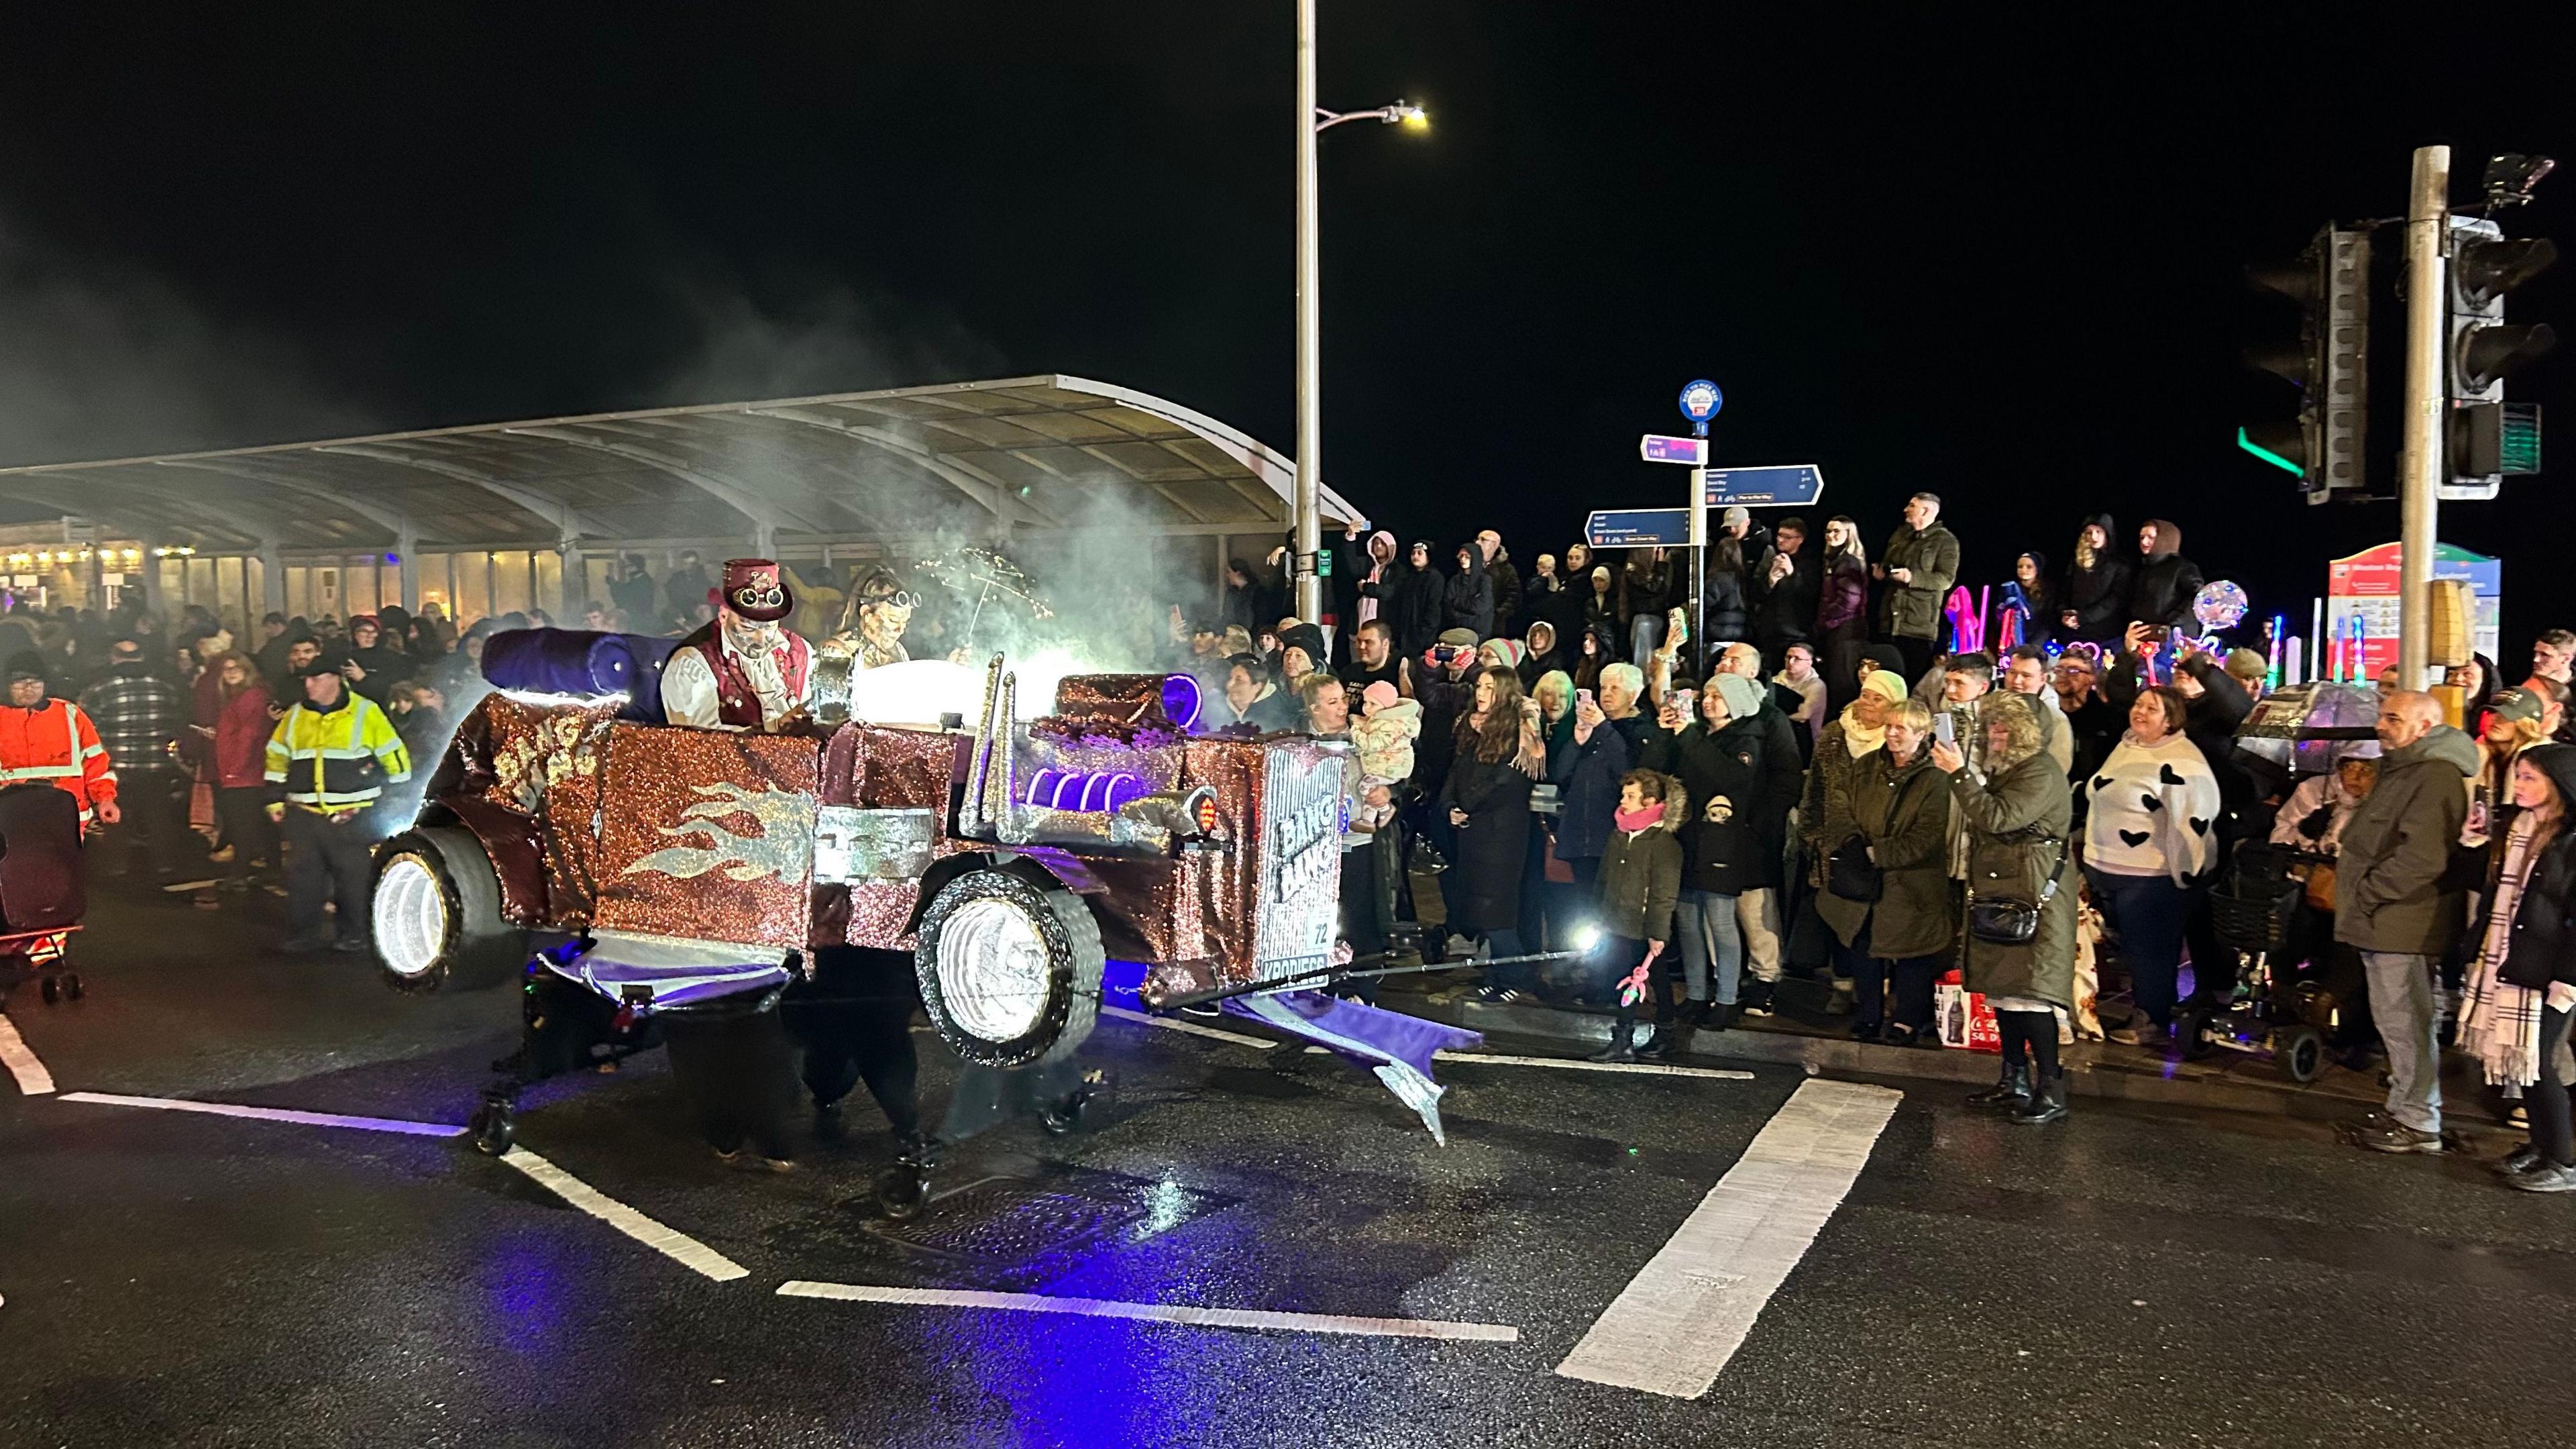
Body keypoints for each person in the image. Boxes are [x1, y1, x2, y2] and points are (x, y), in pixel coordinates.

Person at [2332, 690, 2477, 1153]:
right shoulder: (2407, 770)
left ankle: (2418, 1119)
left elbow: (2422, 857)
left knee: (2405, 1020)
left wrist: (2371, 893)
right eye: (2382, 716)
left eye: (2393, 719)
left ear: (2425, 728)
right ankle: (2405, 1107)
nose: (2381, 725)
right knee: (2395, 1019)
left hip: (2401, 919)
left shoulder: (2434, 776)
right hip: (2385, 918)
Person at [1936, 691, 2077, 1123]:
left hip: (2034, 893)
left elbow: (1998, 818)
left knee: (2031, 996)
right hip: (2009, 891)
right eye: (1992, 725)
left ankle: (2051, 1088)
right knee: (2004, 993)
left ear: (2025, 733)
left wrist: (1960, 774)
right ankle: (2013, 1079)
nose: (1996, 733)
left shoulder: (2040, 772)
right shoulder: (2009, 771)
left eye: (2005, 726)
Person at [2456, 745, 2576, 1190]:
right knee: (2518, 1063)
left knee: (2539, 1063)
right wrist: (2473, 841)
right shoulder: (2517, 827)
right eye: (2519, 776)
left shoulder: (2570, 840)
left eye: (2530, 778)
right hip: (2511, 962)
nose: (2519, 785)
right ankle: (2540, 1148)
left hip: (2549, 971)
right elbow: (2482, 888)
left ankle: (2563, 1159)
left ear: (2559, 785)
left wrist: (2568, 977)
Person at [2080, 686, 2222, 1046]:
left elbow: (2193, 821)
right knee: (2131, 951)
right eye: (2138, 703)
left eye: (2152, 708)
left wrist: (2188, 873)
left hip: (2149, 877)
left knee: (2151, 953)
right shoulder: (2127, 745)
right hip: (2108, 870)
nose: (2139, 711)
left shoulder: (2183, 761)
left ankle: (2152, 1019)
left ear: (2171, 719)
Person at [1643, 673, 1776, 1028]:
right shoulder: (1695, 735)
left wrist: (1686, 735)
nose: (1708, 701)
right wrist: (1663, 732)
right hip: (1687, 838)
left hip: (1723, 841)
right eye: (1708, 694)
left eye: (1718, 696)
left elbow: (1729, 777)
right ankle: (1698, 994)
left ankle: (1726, 998)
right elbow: (1655, 770)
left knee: (1720, 921)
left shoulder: (1746, 740)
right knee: (1687, 922)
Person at [1817, 698, 1953, 1043]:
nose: (1891, 734)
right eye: (1889, 726)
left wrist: (1878, 852)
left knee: (1911, 955)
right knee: (1863, 946)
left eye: (1900, 728)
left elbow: (1927, 835)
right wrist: (1851, 843)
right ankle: (1869, 1015)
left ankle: (1906, 1020)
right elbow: (1839, 803)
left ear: (1921, 734)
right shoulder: (1865, 767)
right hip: (1864, 877)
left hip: (1912, 882)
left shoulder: (1935, 778)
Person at [265, 651, 411, 953]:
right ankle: (304, 935)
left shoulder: (366, 712)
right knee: (303, 880)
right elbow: (276, 757)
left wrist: (385, 799)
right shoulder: (295, 716)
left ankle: (354, 935)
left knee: (353, 880)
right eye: (306, 679)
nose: (309, 685)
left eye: (316, 679)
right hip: (305, 813)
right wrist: (274, 799)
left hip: (351, 816)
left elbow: (395, 761)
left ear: (335, 680)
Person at [1707, 644, 1802, 1013]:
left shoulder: (1770, 718)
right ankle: (1724, 978)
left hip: (1754, 830)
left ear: (1752, 671)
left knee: (1755, 908)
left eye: (1734, 661)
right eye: (1722, 659)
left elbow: (1786, 775)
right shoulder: (1709, 720)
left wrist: (1761, 822)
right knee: (1716, 909)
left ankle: (1765, 978)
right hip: (1715, 831)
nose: (1723, 664)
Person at [1446, 665, 1542, 999]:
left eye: (1489, 687)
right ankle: (1498, 974)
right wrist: (1450, 807)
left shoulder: (1519, 733)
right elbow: (1457, 772)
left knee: (1497, 913)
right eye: (1479, 686)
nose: (1481, 693)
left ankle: (1516, 978)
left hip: (1503, 837)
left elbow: (1507, 782)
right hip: (1474, 833)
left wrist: (1468, 805)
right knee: (1481, 911)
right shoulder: (1471, 728)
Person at [1586, 770, 1686, 1063]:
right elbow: (1603, 880)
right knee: (1629, 980)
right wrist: (1597, 916)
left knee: (1648, 980)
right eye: (1624, 795)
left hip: (1642, 926)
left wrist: (1658, 933)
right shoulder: (1620, 835)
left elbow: (1663, 893)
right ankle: (1632, 1036)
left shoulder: (1663, 843)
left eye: (1631, 796)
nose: (1623, 801)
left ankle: (1655, 1034)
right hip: (1617, 922)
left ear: (1650, 801)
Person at [78, 639, 192, 879]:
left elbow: (86, 729)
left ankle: (118, 864)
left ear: (115, 658)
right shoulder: (165, 688)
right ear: (142, 658)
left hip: (115, 766)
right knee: (158, 815)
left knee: (115, 815)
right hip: (156, 764)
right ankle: (165, 863)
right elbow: (175, 724)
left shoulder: (100, 689)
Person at [661, 559, 813, 732]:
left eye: (770, 627)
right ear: (724, 616)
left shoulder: (801, 651)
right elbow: (697, 743)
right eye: (748, 628)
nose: (761, 639)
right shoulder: (693, 663)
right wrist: (774, 729)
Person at [0, 653, 121, 834]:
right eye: (20, 682)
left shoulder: (70, 714)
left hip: (68, 820)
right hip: (11, 820)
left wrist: (105, 799)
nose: (29, 688)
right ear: (7, 685)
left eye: (36, 682)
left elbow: (96, 763)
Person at [205, 652, 278, 892]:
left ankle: (240, 873)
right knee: (260, 822)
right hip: (246, 769)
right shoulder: (243, 697)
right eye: (227, 669)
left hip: (244, 772)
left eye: (237, 668)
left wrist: (235, 769)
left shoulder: (250, 697)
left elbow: (250, 734)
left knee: (242, 824)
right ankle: (271, 868)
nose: (232, 673)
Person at [1875, 493, 1960, 682]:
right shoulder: (1900, 535)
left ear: (1926, 510)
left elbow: (1945, 579)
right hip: (1889, 621)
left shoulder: (1945, 541)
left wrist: (1912, 578)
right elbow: (1889, 565)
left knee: (1912, 680)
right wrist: (1882, 573)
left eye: (1912, 505)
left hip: (1917, 626)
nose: (1906, 509)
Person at [1814, 517, 1871, 711]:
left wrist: (1825, 619)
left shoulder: (1847, 562)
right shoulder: (1834, 560)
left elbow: (1850, 600)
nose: (1831, 535)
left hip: (1846, 631)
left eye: (1836, 531)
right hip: (1839, 630)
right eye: (1828, 531)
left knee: (1842, 685)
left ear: (1849, 534)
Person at [1750, 516, 1818, 672]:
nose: (1780, 540)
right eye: (1779, 536)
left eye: (1787, 537)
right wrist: (1771, 581)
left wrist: (1792, 574)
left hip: (1795, 633)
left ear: (1800, 539)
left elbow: (1811, 595)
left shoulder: (1809, 563)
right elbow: (1756, 594)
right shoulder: (1769, 559)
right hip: (1769, 632)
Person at [2000, 645, 2074, 775]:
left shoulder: (2055, 719)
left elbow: (2058, 770)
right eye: (2012, 673)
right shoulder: (1992, 709)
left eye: (2026, 676)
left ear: (2042, 679)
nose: (2017, 681)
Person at [2059, 515, 2131, 645]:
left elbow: (2115, 599)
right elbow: (2065, 590)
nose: (2094, 537)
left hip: (2105, 634)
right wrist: (2065, 614)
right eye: (2089, 532)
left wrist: (2084, 617)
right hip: (2075, 631)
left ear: (2107, 534)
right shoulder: (2077, 561)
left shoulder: (2120, 564)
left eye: (2099, 532)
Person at [2125, 519, 2204, 630]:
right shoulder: (2142, 567)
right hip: (2146, 632)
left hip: (2176, 635)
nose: (2144, 542)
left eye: (2151, 537)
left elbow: (2198, 599)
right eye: (2142, 537)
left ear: (2165, 539)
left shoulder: (2182, 567)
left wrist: (2171, 621)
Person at [1619, 548, 1673, 667]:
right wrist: (1661, 565)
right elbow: (1652, 588)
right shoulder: (1633, 570)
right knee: (1645, 663)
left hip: (1656, 619)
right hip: (1645, 621)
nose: (1658, 553)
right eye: (1655, 550)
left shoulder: (1650, 571)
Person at [1773, 642, 1827, 759]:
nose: (1791, 662)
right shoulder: (1775, 681)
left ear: (1809, 663)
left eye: (1797, 659)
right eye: (1788, 657)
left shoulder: (1817, 686)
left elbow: (1803, 715)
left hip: (1804, 743)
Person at [1218, 654, 1298, 733]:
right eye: (1230, 678)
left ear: (1257, 687)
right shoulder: (1217, 706)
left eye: (1239, 681)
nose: (1229, 685)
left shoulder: (1277, 716)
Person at [1336, 619, 1414, 698]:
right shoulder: (1349, 672)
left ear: (1385, 644)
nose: (1362, 647)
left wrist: (1405, 684)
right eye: (1359, 641)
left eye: (1368, 642)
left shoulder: (1398, 673)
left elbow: (1412, 706)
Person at [342, 615, 402, 704]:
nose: (369, 635)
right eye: (364, 631)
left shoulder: (390, 657)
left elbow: (391, 688)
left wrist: (363, 679)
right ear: (355, 635)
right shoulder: (346, 656)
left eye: (374, 631)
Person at [2001, 551, 2055, 650]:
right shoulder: (2011, 589)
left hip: (2037, 642)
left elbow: (2047, 622)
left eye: (2029, 567)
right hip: (2012, 642)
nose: (2023, 570)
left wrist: (2034, 646)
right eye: (2020, 567)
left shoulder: (2047, 591)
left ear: (2037, 569)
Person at [1443, 542, 1496, 641]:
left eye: (1467, 557)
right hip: (1457, 630)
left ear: (1475, 558)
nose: (1463, 560)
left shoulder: (1485, 580)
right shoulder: (1454, 580)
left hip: (1479, 633)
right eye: (1461, 556)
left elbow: (1481, 606)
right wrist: (1468, 610)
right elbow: (1448, 606)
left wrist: (1457, 602)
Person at [1702, 535, 1750, 644]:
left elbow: (1705, 603)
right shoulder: (1743, 577)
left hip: (1718, 630)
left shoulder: (1719, 578)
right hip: (1741, 631)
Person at [1476, 531, 1523, 637]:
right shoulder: (1469, 564)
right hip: (1469, 622)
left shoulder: (1506, 569)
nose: (1478, 543)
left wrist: (1498, 614)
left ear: (1495, 544)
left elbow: (1514, 596)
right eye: (1477, 539)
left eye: (1483, 540)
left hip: (1494, 625)